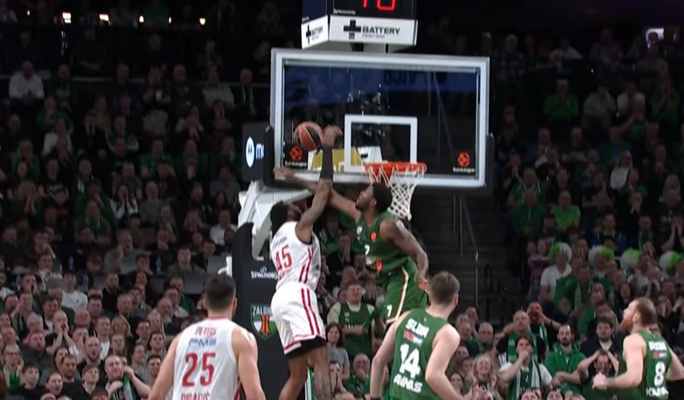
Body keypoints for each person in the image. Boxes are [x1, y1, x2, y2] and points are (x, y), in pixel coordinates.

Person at [278, 166, 429, 325]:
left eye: (365, 193)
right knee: (395, 330)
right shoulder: (358, 216)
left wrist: (422, 280)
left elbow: (420, 254)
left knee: (395, 328)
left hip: (404, 279)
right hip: (388, 281)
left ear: (373, 202)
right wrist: (293, 178)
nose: (361, 193)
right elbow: (328, 194)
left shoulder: (387, 226)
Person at [269, 125, 340, 400]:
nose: (298, 206)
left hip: (280, 300)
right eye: (294, 206)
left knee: (297, 375)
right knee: (321, 361)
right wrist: (327, 148)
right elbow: (324, 191)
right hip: (298, 294)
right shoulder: (299, 227)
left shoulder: (276, 240)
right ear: (288, 215)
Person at [147, 275, 265, 400]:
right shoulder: (241, 338)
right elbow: (254, 396)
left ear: (205, 303)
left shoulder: (180, 339)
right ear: (234, 304)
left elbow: (156, 395)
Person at [368, 272, 462, 400]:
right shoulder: (447, 333)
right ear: (455, 300)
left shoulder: (405, 317)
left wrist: (375, 397)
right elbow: (433, 375)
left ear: (430, 294)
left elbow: (378, 360)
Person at [593, 297, 684, 399]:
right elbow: (679, 372)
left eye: (629, 309)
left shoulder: (634, 340)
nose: (624, 311)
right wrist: (650, 376)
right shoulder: (660, 340)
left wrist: (605, 381)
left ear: (636, 317)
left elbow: (633, 378)